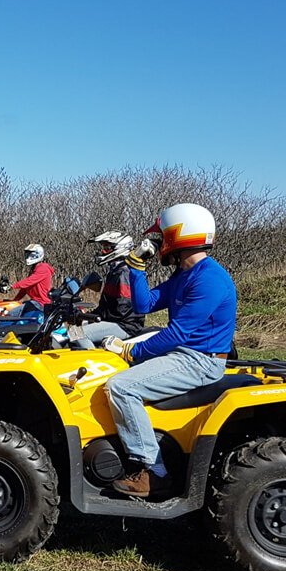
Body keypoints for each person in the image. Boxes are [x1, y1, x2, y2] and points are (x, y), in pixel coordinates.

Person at [101, 203, 237, 498]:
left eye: (161, 238)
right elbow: (144, 304)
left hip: (200, 360)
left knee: (121, 387)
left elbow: (177, 333)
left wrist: (131, 353)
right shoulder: (184, 275)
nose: (158, 244)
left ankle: (155, 472)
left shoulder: (209, 279)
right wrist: (137, 266)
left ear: (178, 236)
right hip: (185, 353)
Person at [70, 232, 144, 349]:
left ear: (120, 248)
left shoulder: (125, 272)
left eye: (107, 248)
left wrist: (98, 318)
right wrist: (90, 315)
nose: (103, 251)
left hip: (126, 325)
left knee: (76, 333)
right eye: (103, 248)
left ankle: (94, 363)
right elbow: (107, 304)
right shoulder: (115, 271)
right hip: (118, 321)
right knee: (76, 329)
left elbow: (123, 309)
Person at [7, 244, 54, 317]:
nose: (27, 256)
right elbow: (25, 289)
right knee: (9, 308)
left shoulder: (43, 268)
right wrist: (15, 300)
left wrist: (12, 286)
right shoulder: (35, 268)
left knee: (10, 314)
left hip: (41, 304)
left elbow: (29, 281)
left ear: (36, 255)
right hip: (34, 302)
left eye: (29, 254)